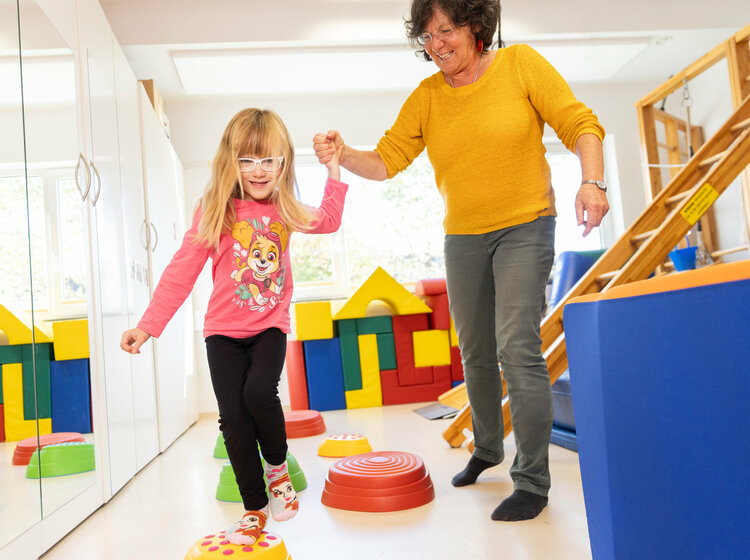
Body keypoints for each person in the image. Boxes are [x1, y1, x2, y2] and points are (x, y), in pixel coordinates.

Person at [313, 0, 608, 522]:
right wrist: (343, 154)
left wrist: (591, 181)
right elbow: (386, 161)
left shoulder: (520, 65)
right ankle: (488, 449)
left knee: (516, 345)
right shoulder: (427, 97)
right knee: (473, 350)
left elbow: (580, 122)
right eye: (427, 36)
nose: (437, 44)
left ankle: (532, 481)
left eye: (446, 30)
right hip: (463, 237)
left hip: (525, 224)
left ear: (475, 27)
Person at [121, 108, 348, 544]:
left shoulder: (284, 208)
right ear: (229, 161)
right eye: (247, 160)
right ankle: (254, 508)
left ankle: (277, 471)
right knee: (233, 419)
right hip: (222, 332)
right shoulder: (215, 210)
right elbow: (182, 271)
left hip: (269, 326)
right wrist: (148, 326)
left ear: (283, 162)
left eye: (268, 160)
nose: (258, 171)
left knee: (258, 392)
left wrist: (333, 168)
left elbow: (330, 219)